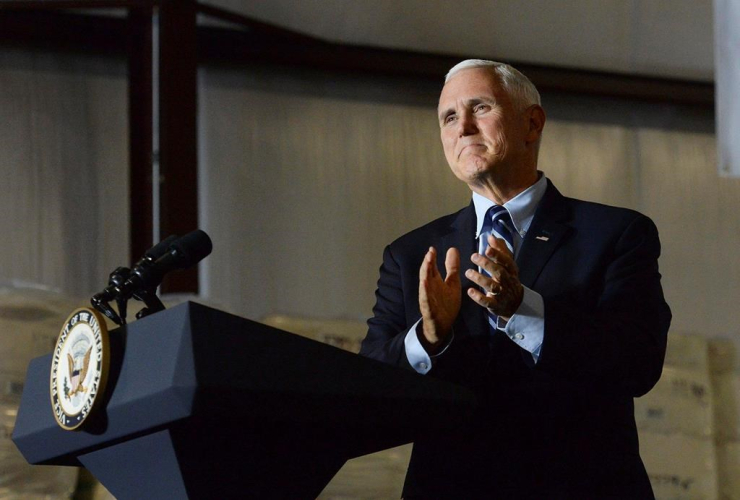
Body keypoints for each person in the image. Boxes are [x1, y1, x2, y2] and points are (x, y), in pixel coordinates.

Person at [360, 59, 672, 499]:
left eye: (480, 108)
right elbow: (367, 387)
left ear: (532, 122)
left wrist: (523, 309)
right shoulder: (411, 254)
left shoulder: (616, 234)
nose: (463, 127)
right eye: (449, 117)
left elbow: (638, 364)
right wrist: (428, 339)